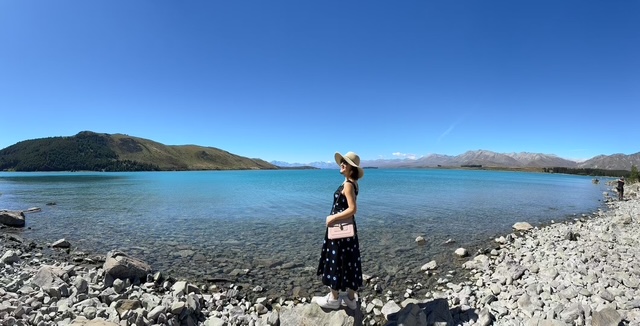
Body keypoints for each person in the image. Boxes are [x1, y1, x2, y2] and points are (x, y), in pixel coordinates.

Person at [316, 151, 364, 310]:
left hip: (340, 230)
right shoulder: (352, 183)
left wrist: (332, 218)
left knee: (335, 261)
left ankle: (334, 299)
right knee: (349, 261)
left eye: (345, 163)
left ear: (352, 168)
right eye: (342, 162)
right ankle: (350, 299)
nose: (342, 164)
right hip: (347, 231)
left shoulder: (348, 185)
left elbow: (353, 209)